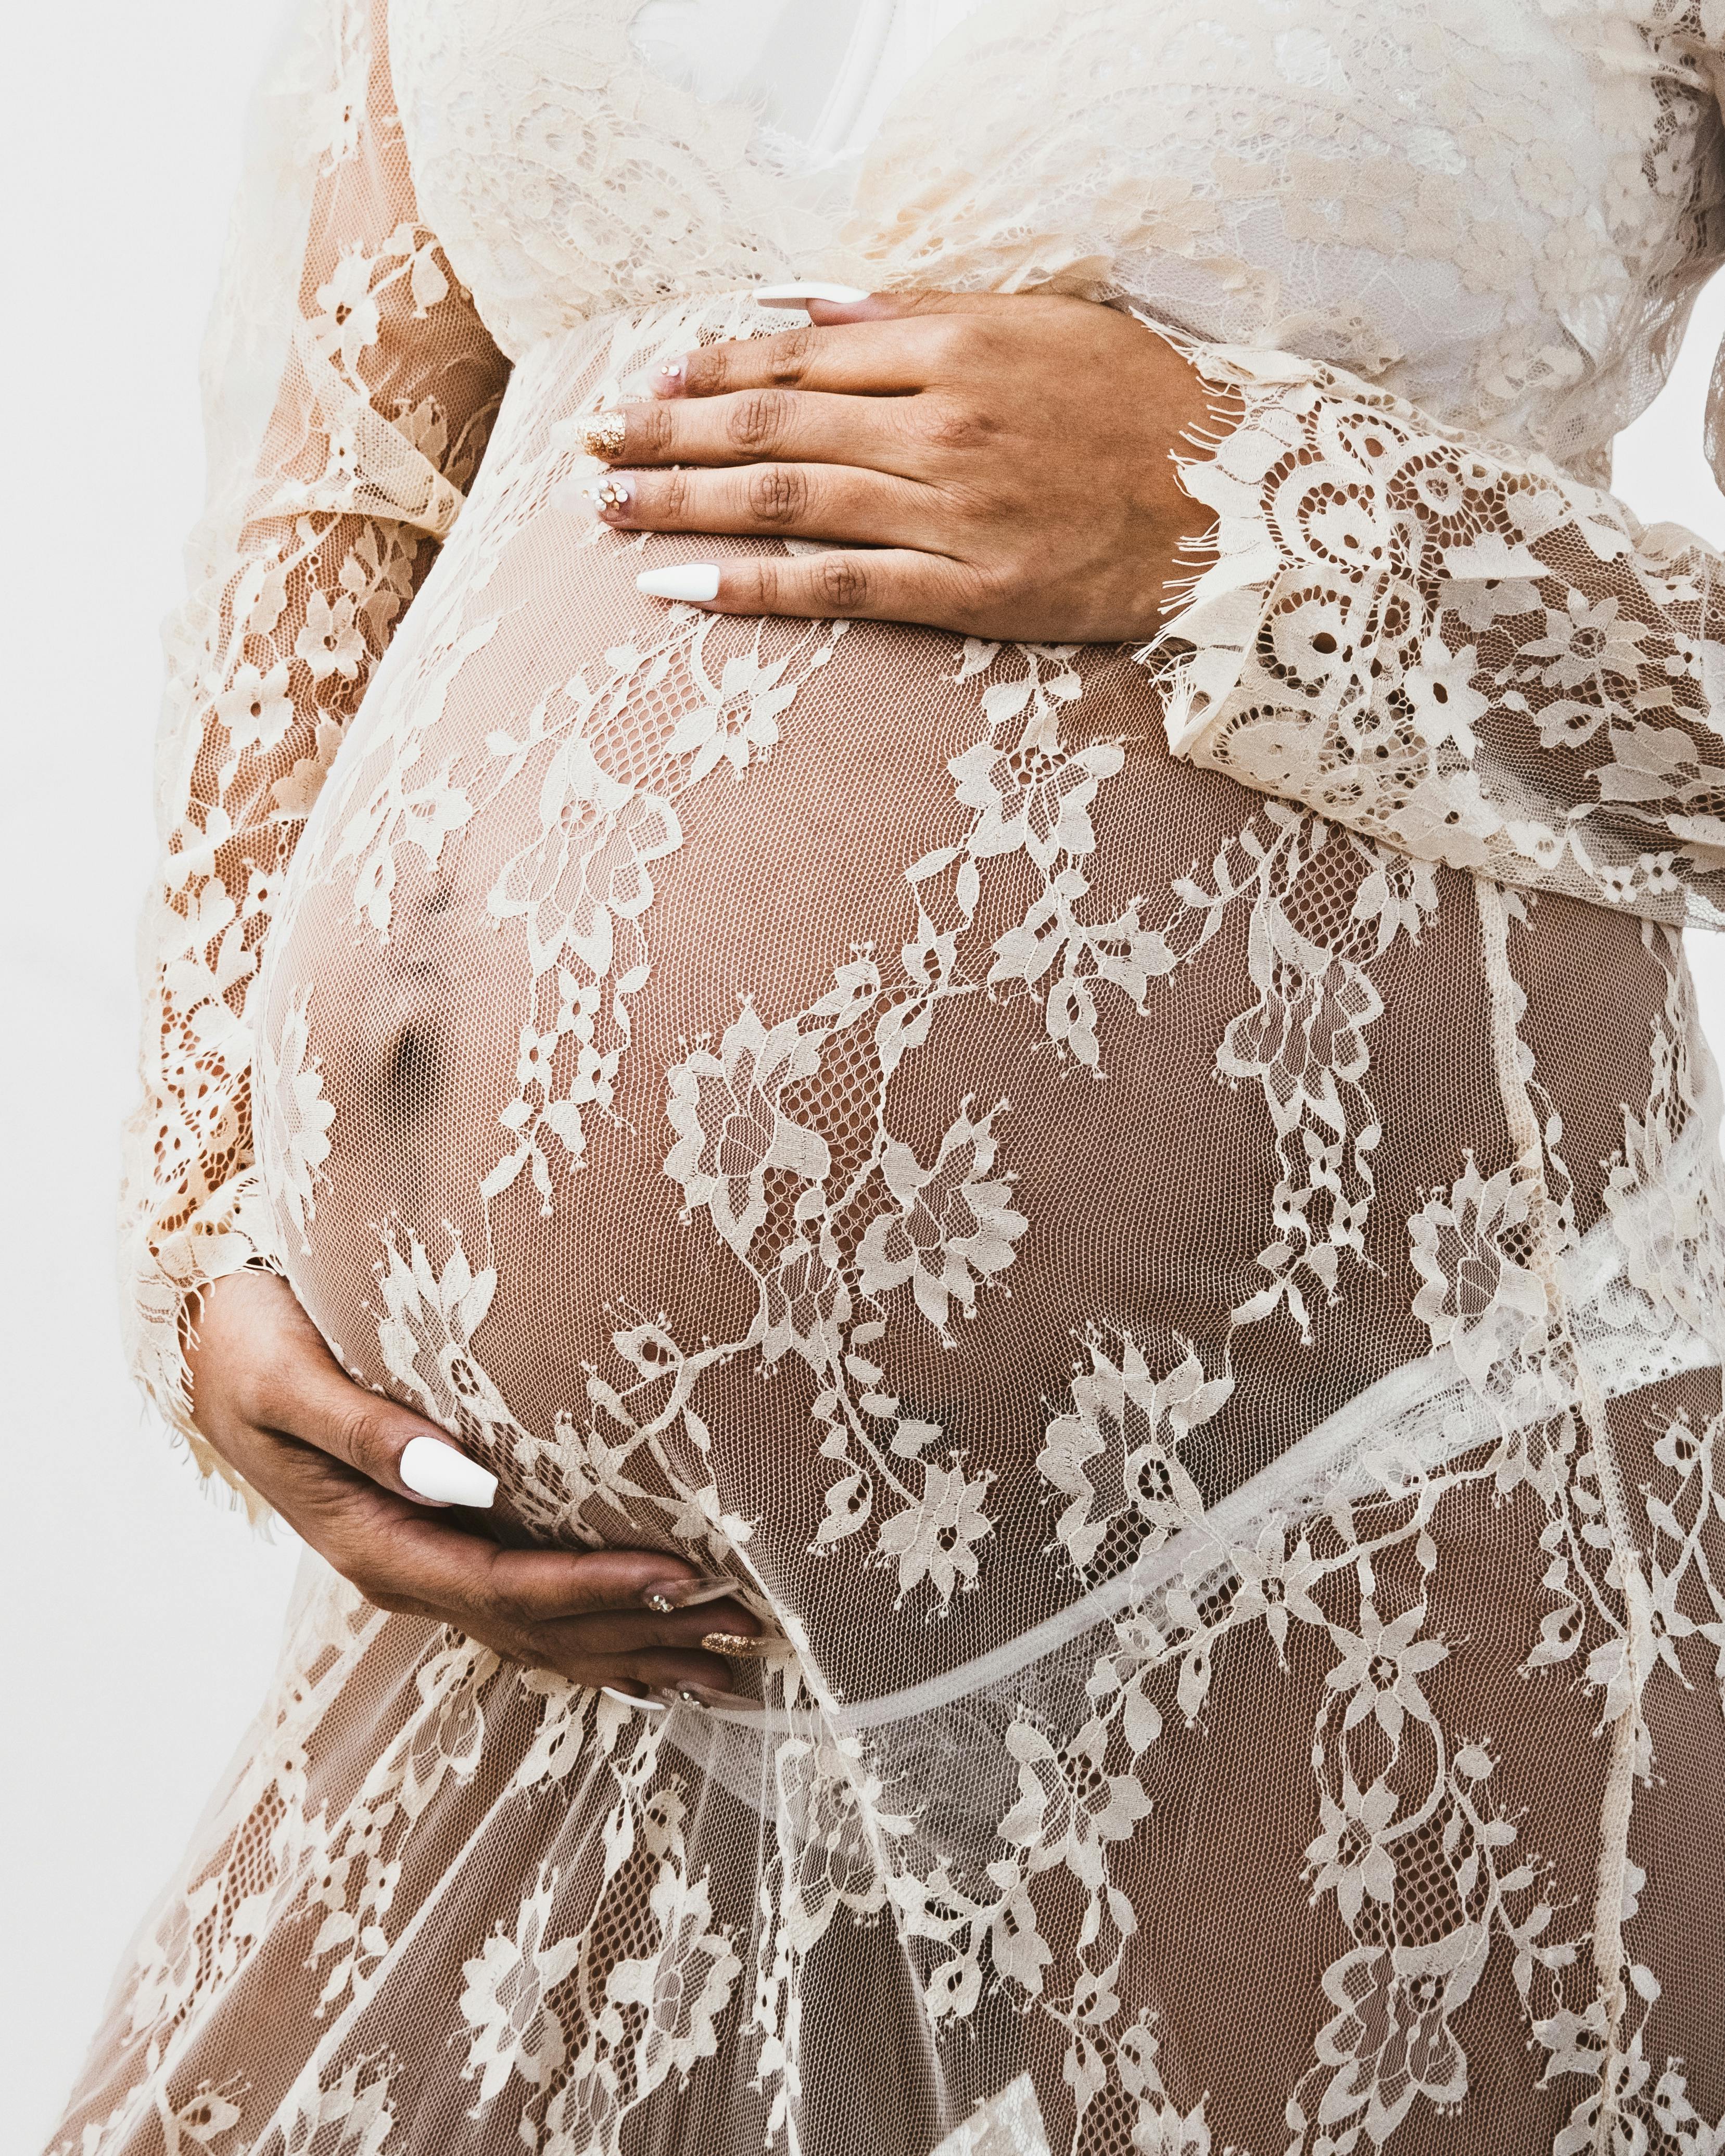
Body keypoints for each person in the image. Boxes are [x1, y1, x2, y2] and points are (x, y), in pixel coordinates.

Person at [48, 1, 1725, 2149]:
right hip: (563, 1636)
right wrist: (209, 1213)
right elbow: (327, 503)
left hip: (1339, 1502)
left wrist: (1245, 509)